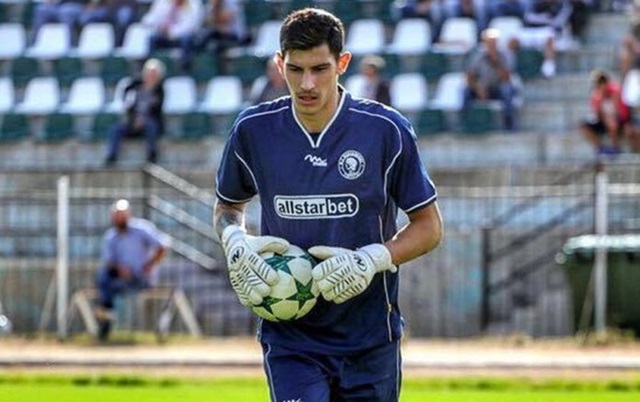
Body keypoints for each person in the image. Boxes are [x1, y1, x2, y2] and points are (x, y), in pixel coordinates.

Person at [213, 8, 443, 402]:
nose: (307, 83)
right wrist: (234, 239)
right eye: (296, 69)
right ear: (280, 64)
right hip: (291, 337)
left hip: (370, 335)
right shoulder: (253, 130)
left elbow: (429, 227)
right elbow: (228, 207)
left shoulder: (385, 130)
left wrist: (372, 259)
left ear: (343, 63)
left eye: (320, 69)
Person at [95, 199, 167, 341]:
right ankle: (106, 316)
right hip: (122, 281)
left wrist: (149, 265)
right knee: (104, 277)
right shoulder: (111, 236)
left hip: (143, 279)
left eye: (123, 214)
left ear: (129, 214)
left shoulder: (142, 229)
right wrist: (119, 269)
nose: (120, 218)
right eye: (117, 215)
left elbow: (162, 246)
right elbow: (108, 261)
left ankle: (106, 314)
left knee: (105, 284)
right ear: (113, 217)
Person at [104, 58, 165, 165]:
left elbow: (156, 110)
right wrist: (134, 119)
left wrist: (143, 120)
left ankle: (152, 156)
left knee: (151, 125)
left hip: (150, 123)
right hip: (133, 121)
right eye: (149, 74)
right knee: (116, 129)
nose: (151, 77)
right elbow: (128, 105)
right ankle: (111, 156)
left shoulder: (159, 91)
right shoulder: (135, 87)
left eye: (154, 74)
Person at [463, 28, 518, 131]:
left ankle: (509, 123)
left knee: (507, 90)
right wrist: (477, 87)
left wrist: (495, 62)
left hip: (497, 87)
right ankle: (466, 122)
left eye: (493, 42)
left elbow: (506, 78)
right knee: (465, 92)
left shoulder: (504, 56)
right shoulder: (478, 56)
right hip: (481, 87)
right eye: (488, 42)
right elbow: (469, 76)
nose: (491, 45)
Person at [142, 0, 203, 72]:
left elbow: (190, 26)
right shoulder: (162, 2)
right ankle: (150, 67)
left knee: (186, 39)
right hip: (165, 37)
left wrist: (171, 32)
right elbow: (150, 19)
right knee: (152, 38)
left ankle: (185, 69)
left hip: (182, 37)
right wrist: (159, 26)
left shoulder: (194, 4)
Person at [579, 69, 630, 155]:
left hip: (618, 119)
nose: (600, 85)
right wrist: (600, 99)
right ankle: (600, 148)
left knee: (611, 122)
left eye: (601, 82)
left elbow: (616, 109)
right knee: (583, 127)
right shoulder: (596, 95)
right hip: (603, 120)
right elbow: (597, 113)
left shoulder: (615, 91)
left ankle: (615, 147)